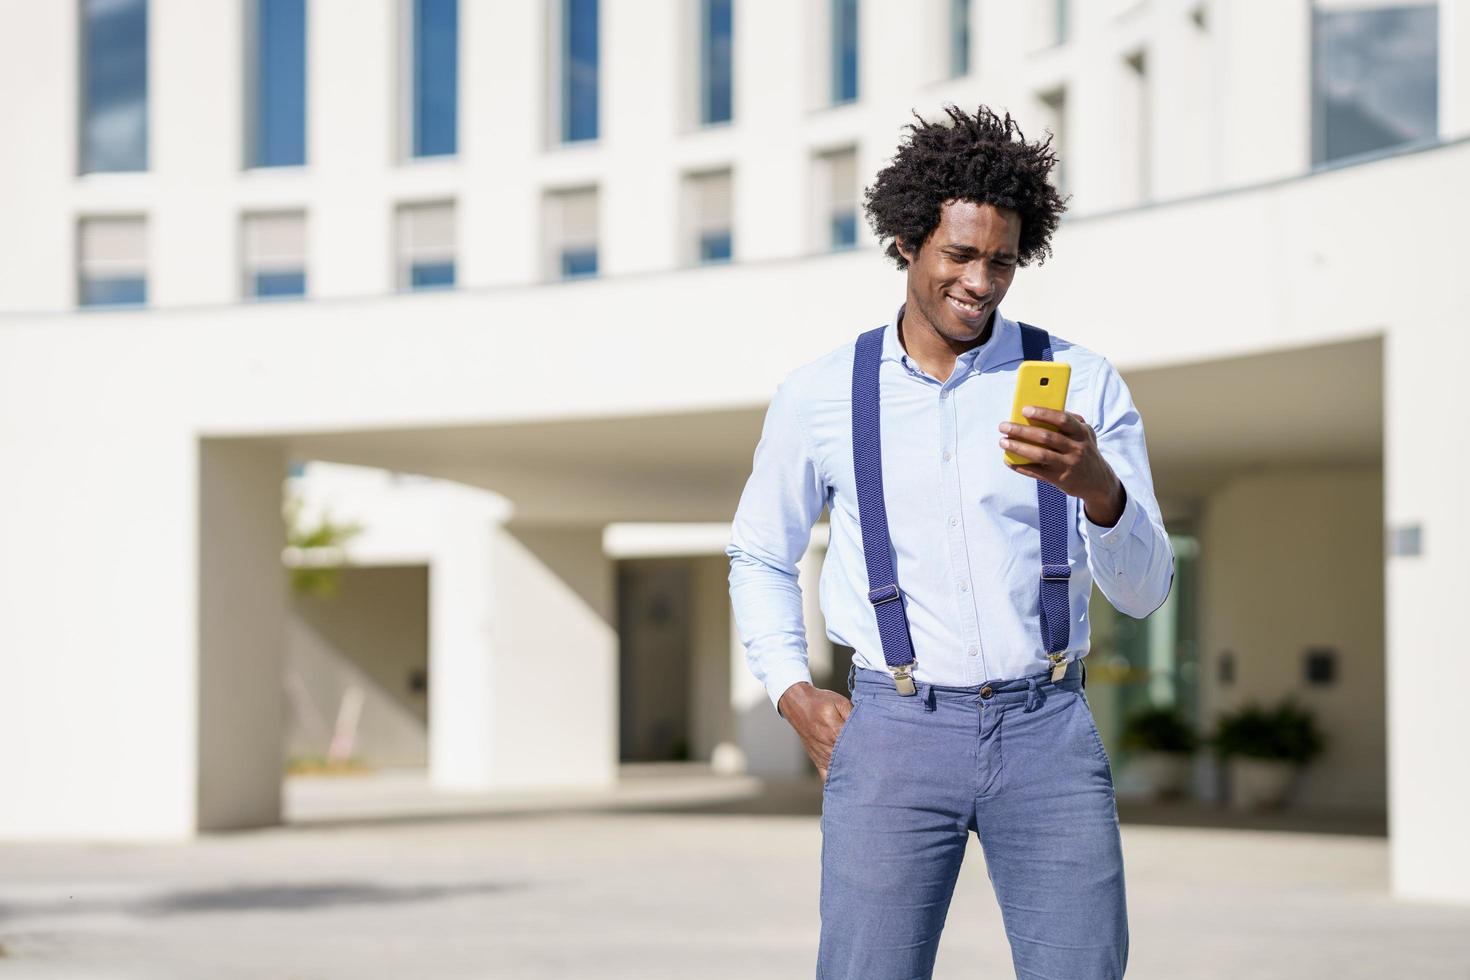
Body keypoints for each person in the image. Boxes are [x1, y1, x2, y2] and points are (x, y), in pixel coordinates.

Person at [725, 105, 1173, 979]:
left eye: (1001, 260)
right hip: (892, 730)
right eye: (959, 255)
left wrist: (1100, 491)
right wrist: (790, 691)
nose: (981, 280)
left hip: (1046, 724)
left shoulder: (1082, 380)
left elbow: (1146, 590)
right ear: (906, 243)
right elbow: (760, 554)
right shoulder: (820, 395)